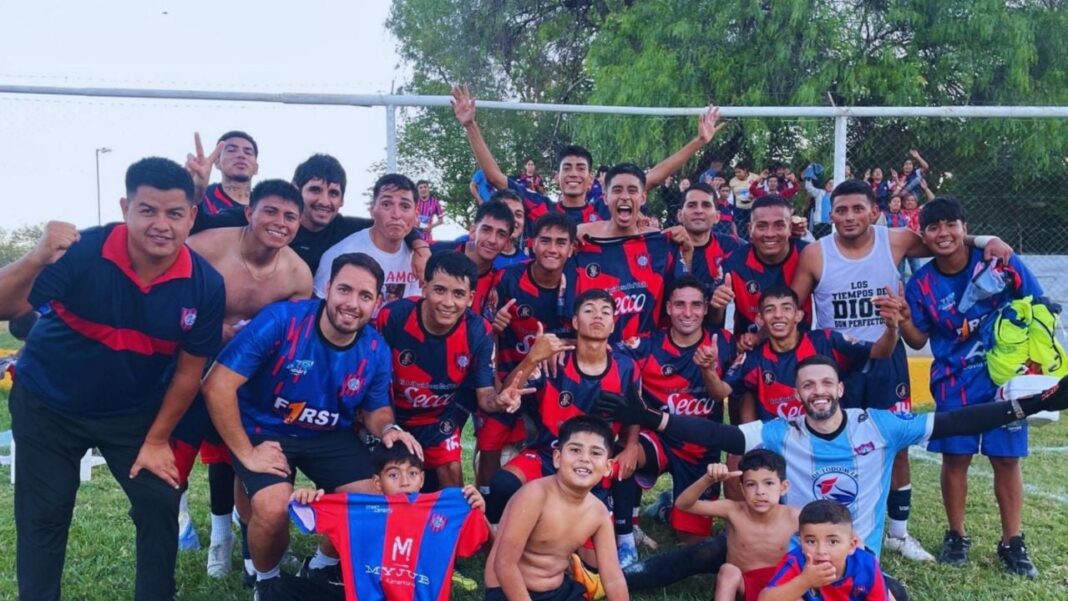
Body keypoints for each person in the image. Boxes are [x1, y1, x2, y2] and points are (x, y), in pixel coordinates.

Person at [596, 354, 1068, 597]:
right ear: (798, 393)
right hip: (782, 546)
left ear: (839, 388)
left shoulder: (878, 426)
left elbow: (956, 421)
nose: (817, 391)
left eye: (825, 383)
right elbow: (719, 433)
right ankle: (608, 581)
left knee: (895, 594)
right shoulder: (783, 431)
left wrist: (1032, 404)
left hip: (848, 554)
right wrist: (653, 418)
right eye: (808, 385)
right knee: (705, 553)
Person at [0, 157, 226, 601]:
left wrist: (157, 440)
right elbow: (6, 308)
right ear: (126, 208)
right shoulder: (84, 251)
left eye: (174, 213)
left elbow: (188, 373)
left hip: (130, 413)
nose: (161, 224)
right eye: (148, 210)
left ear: (191, 217)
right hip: (48, 404)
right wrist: (37, 256)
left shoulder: (205, 284)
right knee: (44, 516)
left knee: (160, 501)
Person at [790, 179, 1013, 563]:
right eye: (840, 210)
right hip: (837, 363)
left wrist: (986, 239)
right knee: (832, 442)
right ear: (831, 214)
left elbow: (946, 240)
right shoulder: (815, 254)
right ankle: (828, 528)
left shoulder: (894, 240)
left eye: (857, 208)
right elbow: (792, 307)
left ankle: (898, 532)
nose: (849, 216)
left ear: (874, 211)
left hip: (887, 356)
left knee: (896, 444)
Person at [201, 252, 421, 597]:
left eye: (365, 296)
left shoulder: (375, 349)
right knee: (273, 508)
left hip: (328, 434)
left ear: (377, 303)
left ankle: (320, 565)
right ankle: (266, 580)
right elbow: (217, 385)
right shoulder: (282, 321)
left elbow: (376, 409)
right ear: (327, 288)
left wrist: (388, 429)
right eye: (345, 290)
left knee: (374, 499)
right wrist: (246, 452)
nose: (352, 304)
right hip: (265, 429)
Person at [173, 179, 313, 577]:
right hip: (190, 362)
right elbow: (168, 296)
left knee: (242, 459)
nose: (280, 222)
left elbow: (292, 341)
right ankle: (186, 532)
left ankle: (244, 544)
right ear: (250, 212)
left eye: (290, 216)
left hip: (248, 377)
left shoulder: (297, 274)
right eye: (270, 211)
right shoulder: (205, 247)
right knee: (174, 461)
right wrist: (207, 329)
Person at [900, 196, 1042, 578]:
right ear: (924, 235)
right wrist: (901, 319)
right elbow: (917, 339)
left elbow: (1037, 302)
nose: (943, 233)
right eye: (934, 227)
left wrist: (1038, 361)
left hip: (1004, 381)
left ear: (965, 228)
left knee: (1007, 459)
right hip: (953, 382)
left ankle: (1012, 541)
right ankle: (956, 535)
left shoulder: (998, 259)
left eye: (951, 224)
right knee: (956, 457)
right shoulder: (921, 284)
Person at [485, 289, 652, 569]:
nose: (597, 316)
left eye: (605, 312)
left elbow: (635, 412)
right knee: (502, 485)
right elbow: (507, 392)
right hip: (549, 454)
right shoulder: (555, 360)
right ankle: (498, 549)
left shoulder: (626, 368)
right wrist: (532, 358)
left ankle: (619, 536)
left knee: (596, 566)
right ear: (574, 321)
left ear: (613, 324)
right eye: (589, 310)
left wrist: (632, 444)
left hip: (592, 464)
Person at [452, 85, 725, 233]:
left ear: (591, 177)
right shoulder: (542, 208)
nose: (573, 173)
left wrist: (699, 141)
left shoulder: (605, 205)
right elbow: (494, 177)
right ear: (557, 177)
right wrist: (470, 125)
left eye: (580, 168)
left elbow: (653, 176)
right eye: (567, 168)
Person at [374, 250, 528, 489]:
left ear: (470, 298)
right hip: (392, 416)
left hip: (438, 420)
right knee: (383, 485)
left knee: (452, 474)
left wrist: (500, 400)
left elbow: (485, 397)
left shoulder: (479, 331)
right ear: (424, 288)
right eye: (439, 290)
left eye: (458, 294)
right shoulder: (393, 316)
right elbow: (374, 380)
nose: (448, 302)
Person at [278, 444, 491, 601]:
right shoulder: (357, 510)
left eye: (412, 473)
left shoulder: (445, 510)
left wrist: (478, 513)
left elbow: (486, 548)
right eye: (393, 475)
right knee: (280, 589)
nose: (405, 482)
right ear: (377, 483)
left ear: (422, 479)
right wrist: (304, 498)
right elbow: (304, 512)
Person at [623, 276, 735, 542]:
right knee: (622, 453)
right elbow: (600, 353)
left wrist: (708, 369)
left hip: (700, 450)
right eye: (679, 304)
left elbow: (722, 394)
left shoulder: (724, 342)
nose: (687, 313)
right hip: (659, 439)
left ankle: (665, 510)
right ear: (668, 308)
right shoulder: (645, 345)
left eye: (696, 305)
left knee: (690, 540)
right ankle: (627, 528)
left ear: (706, 308)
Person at [484, 415, 629, 601]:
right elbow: (504, 564)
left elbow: (613, 577)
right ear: (557, 458)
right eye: (575, 450)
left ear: (608, 467)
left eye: (595, 453)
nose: (585, 459)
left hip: (558, 591)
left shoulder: (598, 513)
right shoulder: (535, 496)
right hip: (509, 590)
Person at [482, 213, 578, 488]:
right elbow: (486, 335)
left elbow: (592, 338)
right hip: (512, 373)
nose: (552, 249)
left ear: (572, 248)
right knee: (490, 436)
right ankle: (488, 500)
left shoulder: (579, 282)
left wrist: (560, 346)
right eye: (545, 240)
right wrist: (495, 327)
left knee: (558, 443)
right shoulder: (508, 279)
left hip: (556, 381)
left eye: (561, 242)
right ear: (532, 244)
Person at [723, 286, 898, 422]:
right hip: (778, 445)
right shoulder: (753, 358)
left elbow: (880, 352)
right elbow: (724, 391)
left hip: (827, 436)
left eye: (786, 309)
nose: (778, 315)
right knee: (747, 390)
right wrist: (753, 441)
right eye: (770, 310)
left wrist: (891, 329)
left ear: (799, 315)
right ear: (759, 319)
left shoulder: (825, 340)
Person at [574, 163, 689, 344]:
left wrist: (687, 253)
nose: (625, 197)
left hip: (644, 352)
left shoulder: (659, 245)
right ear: (605, 197)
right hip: (595, 352)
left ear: (643, 198)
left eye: (632, 190)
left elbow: (683, 296)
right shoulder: (581, 241)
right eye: (617, 190)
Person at [674, 451, 799, 601]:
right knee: (728, 571)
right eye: (751, 484)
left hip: (780, 588)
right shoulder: (733, 510)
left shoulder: (796, 517)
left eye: (768, 483)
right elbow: (683, 505)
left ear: (783, 487)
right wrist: (708, 479)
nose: (760, 492)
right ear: (742, 489)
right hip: (744, 584)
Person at [313, 174, 423, 305]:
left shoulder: (421, 260)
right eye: (386, 204)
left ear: (416, 213)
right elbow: (318, 309)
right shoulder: (339, 255)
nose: (396, 214)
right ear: (372, 209)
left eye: (405, 206)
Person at [712, 194, 811, 339]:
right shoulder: (733, 263)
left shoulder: (809, 256)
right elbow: (714, 320)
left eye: (779, 225)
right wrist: (716, 306)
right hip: (749, 347)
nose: (770, 234)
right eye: (761, 226)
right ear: (749, 229)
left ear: (790, 228)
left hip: (802, 347)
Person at [760, 500, 889, 601]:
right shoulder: (795, 562)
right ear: (801, 543)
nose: (821, 551)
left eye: (833, 542)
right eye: (811, 541)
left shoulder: (867, 565)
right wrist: (805, 581)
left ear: (851, 546)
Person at [430, 200, 516, 316]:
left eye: (501, 234)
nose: (492, 240)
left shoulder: (498, 282)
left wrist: (495, 325)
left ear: (507, 243)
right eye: (486, 230)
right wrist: (418, 245)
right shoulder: (435, 251)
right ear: (473, 231)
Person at [677, 183, 742, 305]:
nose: (699, 211)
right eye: (692, 205)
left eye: (706, 205)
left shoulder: (731, 245)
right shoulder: (666, 247)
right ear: (680, 215)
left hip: (716, 314)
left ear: (717, 216)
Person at [185, 131, 259, 220]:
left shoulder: (264, 205)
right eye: (231, 150)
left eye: (248, 152)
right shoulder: (204, 197)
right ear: (217, 162)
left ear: (256, 168)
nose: (241, 155)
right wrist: (197, 190)